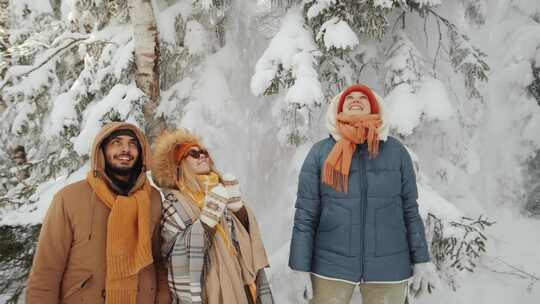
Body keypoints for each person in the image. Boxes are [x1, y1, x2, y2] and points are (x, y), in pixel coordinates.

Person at [289, 84, 439, 304]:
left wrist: (421, 260)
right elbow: (305, 215)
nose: (356, 100)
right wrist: (300, 267)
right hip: (330, 267)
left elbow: (410, 211)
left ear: (375, 108)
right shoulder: (320, 153)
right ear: (337, 108)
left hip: (388, 269)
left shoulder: (396, 152)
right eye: (350, 98)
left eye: (363, 98)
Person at [26, 122, 171, 303]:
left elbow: (158, 260)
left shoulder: (153, 198)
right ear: (101, 151)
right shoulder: (69, 198)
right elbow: (46, 271)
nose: (126, 149)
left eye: (133, 143)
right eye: (116, 142)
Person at [151, 129, 274, 304]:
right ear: (178, 165)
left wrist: (239, 210)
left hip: (241, 281)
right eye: (193, 153)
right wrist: (205, 224)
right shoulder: (174, 204)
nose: (201, 156)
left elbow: (248, 241)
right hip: (208, 290)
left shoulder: (223, 190)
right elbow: (171, 255)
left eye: (203, 152)